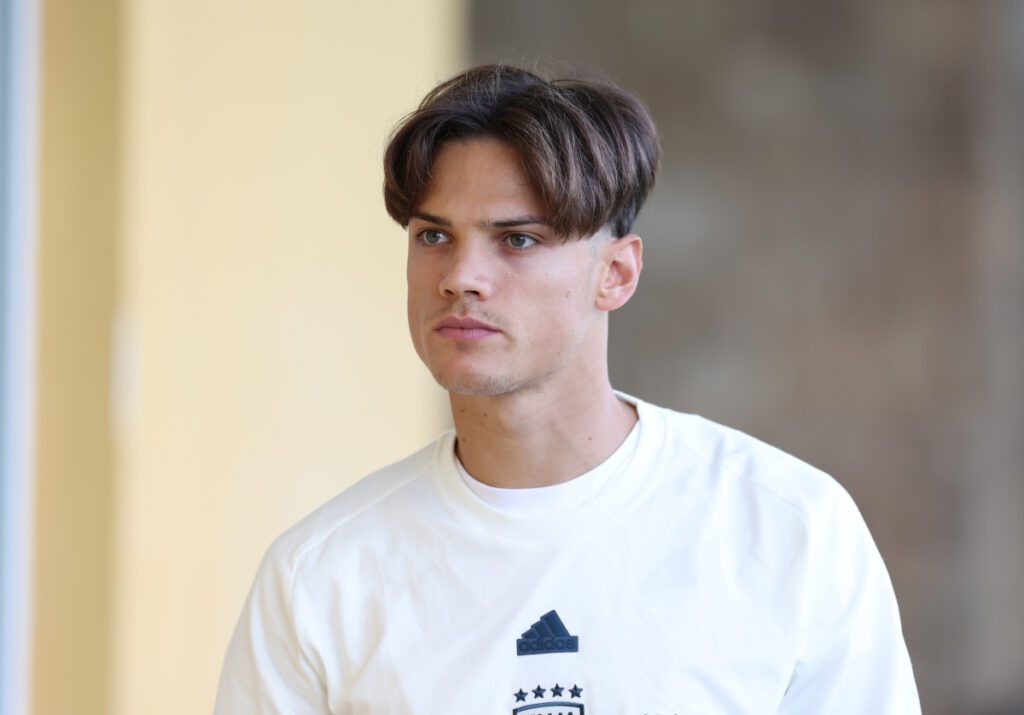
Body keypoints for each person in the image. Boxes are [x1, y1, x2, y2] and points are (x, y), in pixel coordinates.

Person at [214, 64, 920, 713]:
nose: (461, 276)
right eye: (434, 237)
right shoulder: (323, 575)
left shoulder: (787, 528)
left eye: (516, 240)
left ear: (616, 273)